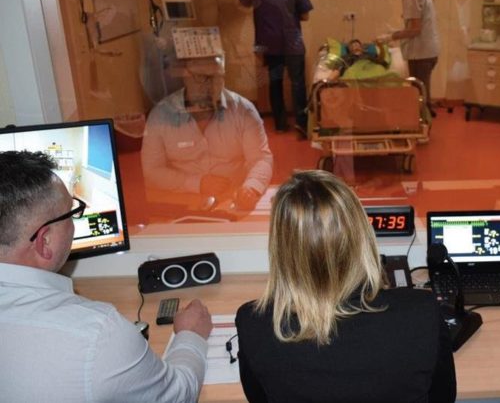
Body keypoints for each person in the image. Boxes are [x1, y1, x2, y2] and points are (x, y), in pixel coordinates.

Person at [0, 150, 213, 402]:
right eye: (71, 213)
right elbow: (179, 395)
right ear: (45, 241)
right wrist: (190, 335)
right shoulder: (97, 335)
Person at [235, 170, 456, 402]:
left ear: (281, 247)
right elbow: (443, 397)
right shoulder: (422, 312)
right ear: (361, 234)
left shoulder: (254, 324)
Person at [141, 55, 273, 211]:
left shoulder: (244, 110)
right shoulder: (161, 115)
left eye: (216, 77)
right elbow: (151, 170)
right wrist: (196, 183)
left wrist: (251, 187)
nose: (209, 85)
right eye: (200, 77)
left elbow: (261, 159)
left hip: (234, 198)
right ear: (185, 76)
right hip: (182, 200)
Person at [238, 0, 313, 134]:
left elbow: (240, 4)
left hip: (269, 46)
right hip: (293, 45)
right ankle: (301, 124)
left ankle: (280, 124)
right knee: (297, 83)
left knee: (275, 82)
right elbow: (305, 16)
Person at [381, 0, 440, 118]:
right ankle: (425, 115)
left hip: (421, 53)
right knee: (423, 88)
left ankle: (422, 122)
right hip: (428, 50)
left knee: (418, 90)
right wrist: (397, 31)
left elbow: (414, 29)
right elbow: (418, 24)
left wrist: (391, 37)